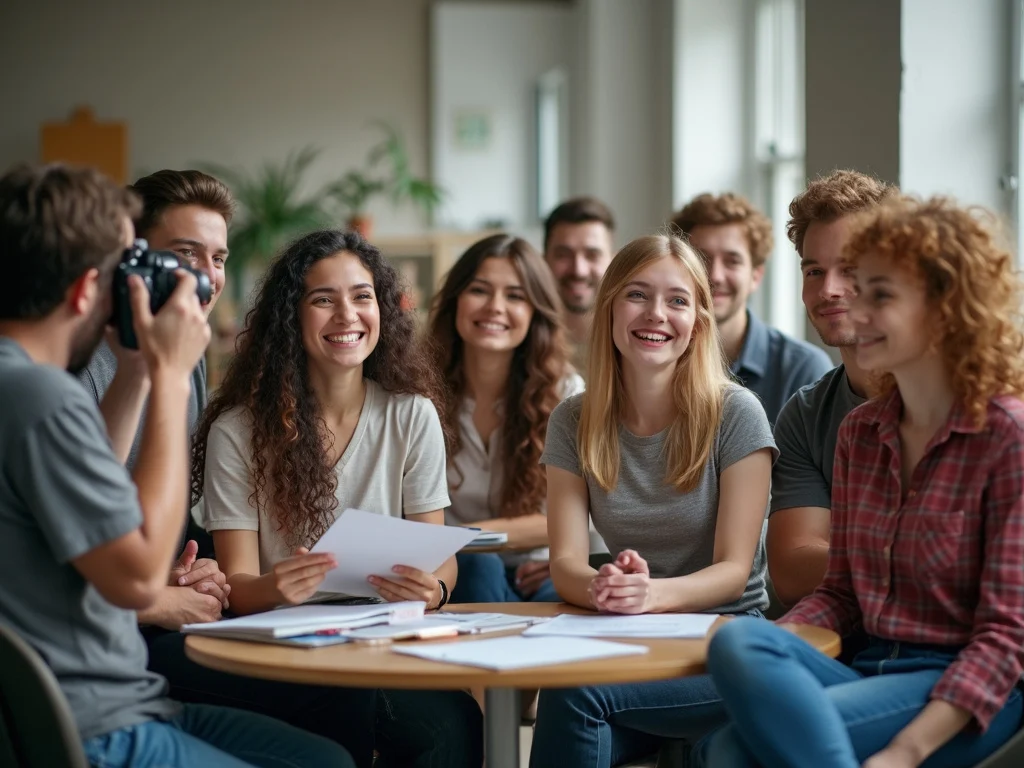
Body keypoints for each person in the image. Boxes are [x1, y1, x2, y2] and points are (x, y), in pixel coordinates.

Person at [0, 163, 354, 767]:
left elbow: (100, 499)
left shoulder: (20, 382)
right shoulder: (40, 394)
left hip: (120, 700)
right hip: (92, 724)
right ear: (89, 287)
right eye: (130, 266)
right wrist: (164, 375)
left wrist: (142, 366)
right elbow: (136, 579)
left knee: (325, 757)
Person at [697, 195, 1024, 768]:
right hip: (865, 661)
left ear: (944, 307)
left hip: (964, 686)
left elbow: (1006, 638)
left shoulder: (1007, 437)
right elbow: (839, 593)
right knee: (739, 640)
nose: (852, 307)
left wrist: (905, 751)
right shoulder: (860, 432)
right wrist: (777, 650)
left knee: (727, 753)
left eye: (881, 295)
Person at [191, 229, 482, 767]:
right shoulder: (236, 431)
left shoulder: (411, 414)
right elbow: (237, 587)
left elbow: (440, 556)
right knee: (345, 713)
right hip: (286, 649)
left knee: (454, 723)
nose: (347, 315)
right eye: (323, 299)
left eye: (361, 296)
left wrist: (434, 588)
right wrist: (278, 587)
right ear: (290, 317)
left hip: (383, 639)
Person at [529, 234, 777, 767]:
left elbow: (736, 572)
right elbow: (567, 563)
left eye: (678, 300)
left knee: (577, 694)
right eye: (637, 295)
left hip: (729, 647)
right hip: (637, 638)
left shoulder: (737, 414)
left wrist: (648, 594)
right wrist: (606, 587)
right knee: (567, 691)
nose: (656, 314)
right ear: (611, 308)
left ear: (698, 322)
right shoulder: (573, 420)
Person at [427, 233, 582, 604]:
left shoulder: (567, 392)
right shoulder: (417, 393)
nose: (495, 307)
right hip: (455, 573)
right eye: (480, 290)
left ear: (535, 311)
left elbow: (575, 518)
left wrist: (461, 533)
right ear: (456, 301)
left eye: (515, 296)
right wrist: (462, 543)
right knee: (480, 567)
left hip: (540, 572)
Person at [765, 170, 895, 607]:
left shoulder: (950, 396)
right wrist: (909, 556)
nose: (829, 290)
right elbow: (791, 571)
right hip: (837, 644)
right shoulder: (805, 414)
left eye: (850, 270)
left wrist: (840, 550)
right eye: (814, 271)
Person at [671, 192, 833, 424]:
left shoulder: (803, 369)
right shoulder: (656, 356)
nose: (715, 276)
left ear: (756, 276)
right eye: (701, 258)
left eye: (732, 261)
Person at [542, 196, 615, 380]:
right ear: (543, 260)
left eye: (592, 255)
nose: (579, 270)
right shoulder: (524, 340)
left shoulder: (631, 339)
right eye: (563, 255)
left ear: (613, 261)